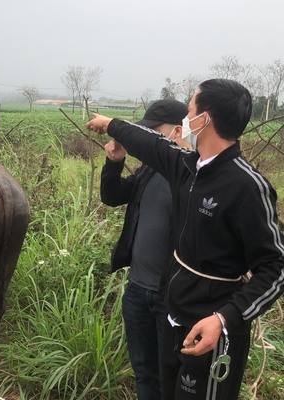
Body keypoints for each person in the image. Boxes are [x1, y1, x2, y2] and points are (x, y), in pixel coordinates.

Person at [87, 78, 284, 400]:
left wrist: (224, 319)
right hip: (174, 311)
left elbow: (276, 266)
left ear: (203, 119)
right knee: (166, 389)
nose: (184, 119)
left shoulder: (248, 186)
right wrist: (110, 124)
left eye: (190, 109)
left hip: (212, 323)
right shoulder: (188, 168)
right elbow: (148, 143)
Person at [100, 99, 189, 400]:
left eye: (153, 132)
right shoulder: (149, 171)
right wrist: (114, 162)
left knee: (171, 376)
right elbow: (112, 196)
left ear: (178, 132)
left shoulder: (193, 177)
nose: (144, 138)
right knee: (144, 372)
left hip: (172, 299)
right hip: (138, 292)